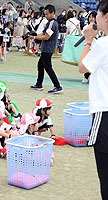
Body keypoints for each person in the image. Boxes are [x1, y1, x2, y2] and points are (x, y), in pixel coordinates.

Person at [78, 1, 108, 198]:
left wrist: (88, 40)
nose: (94, 19)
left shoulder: (103, 44)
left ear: (106, 17)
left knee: (105, 176)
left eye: (96, 15)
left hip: (104, 113)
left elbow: (82, 67)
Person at [29, 4, 63, 94]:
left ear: (53, 13)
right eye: (45, 14)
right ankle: (39, 84)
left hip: (48, 48)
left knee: (48, 67)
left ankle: (57, 86)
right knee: (40, 65)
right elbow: (42, 34)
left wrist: (34, 37)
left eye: (47, 14)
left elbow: (46, 37)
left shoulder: (52, 23)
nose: (46, 16)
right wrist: (34, 35)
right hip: (46, 48)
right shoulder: (50, 22)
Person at [81, 11, 97, 84]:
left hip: (95, 46)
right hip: (87, 46)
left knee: (94, 62)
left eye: (93, 17)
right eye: (90, 17)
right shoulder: (85, 27)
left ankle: (93, 76)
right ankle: (86, 76)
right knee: (86, 62)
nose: (91, 19)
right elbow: (82, 34)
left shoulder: (99, 27)